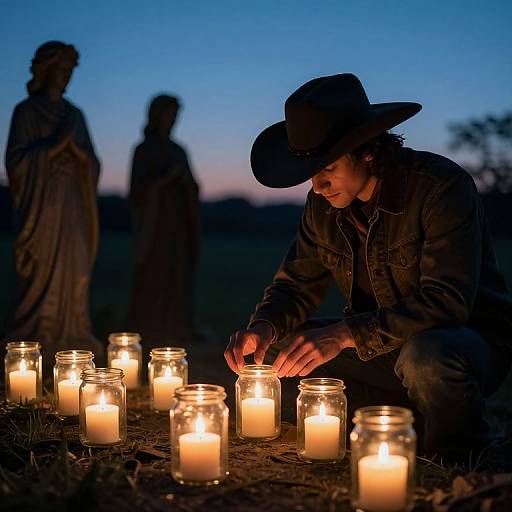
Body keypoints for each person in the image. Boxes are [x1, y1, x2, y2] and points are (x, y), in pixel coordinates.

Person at [224, 73, 512, 462]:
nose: (317, 186)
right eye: (310, 172)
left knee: (425, 356)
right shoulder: (322, 207)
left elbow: (447, 302)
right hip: (376, 347)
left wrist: (342, 334)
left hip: (461, 344)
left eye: (327, 167)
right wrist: (263, 327)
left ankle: (460, 453)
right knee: (274, 354)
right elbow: (296, 285)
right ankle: (399, 423)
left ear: (368, 150)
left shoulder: (440, 187)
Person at [4, 41, 102, 370]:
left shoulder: (75, 115)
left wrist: (78, 155)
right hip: (43, 207)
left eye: (70, 71)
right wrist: (53, 147)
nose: (65, 77)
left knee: (75, 270)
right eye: (60, 70)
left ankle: (72, 332)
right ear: (45, 70)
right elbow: (16, 162)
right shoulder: (26, 112)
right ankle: (37, 336)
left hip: (73, 206)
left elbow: (91, 162)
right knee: (42, 267)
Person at [128, 95, 200, 344]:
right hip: (154, 225)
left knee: (177, 275)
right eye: (169, 114)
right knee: (153, 274)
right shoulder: (143, 150)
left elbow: (192, 186)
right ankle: (149, 327)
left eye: (175, 115)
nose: (172, 120)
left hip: (176, 225)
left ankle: (177, 327)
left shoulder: (179, 151)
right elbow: (137, 190)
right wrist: (163, 181)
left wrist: (185, 185)